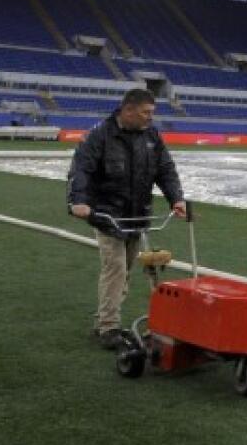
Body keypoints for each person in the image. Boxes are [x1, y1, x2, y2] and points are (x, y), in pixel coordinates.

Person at [67, 88, 186, 349]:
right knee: (116, 268)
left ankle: (107, 318)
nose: (150, 118)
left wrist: (176, 198)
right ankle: (108, 328)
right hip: (107, 215)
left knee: (126, 270)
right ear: (128, 110)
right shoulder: (100, 135)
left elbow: (165, 169)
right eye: (146, 112)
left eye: (151, 113)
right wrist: (78, 202)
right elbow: (81, 170)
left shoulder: (151, 135)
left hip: (138, 214)